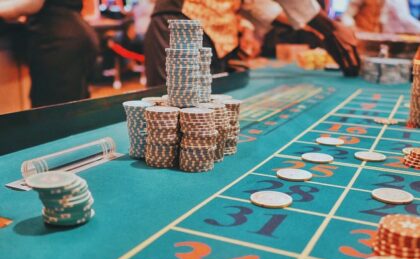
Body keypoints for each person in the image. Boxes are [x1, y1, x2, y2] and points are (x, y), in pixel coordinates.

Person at [144, 0, 360, 86]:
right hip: (179, 23)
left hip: (218, 39)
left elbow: (253, 3)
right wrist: (329, 27)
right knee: (170, 114)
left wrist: (307, 27)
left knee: (200, 117)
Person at [0, 0, 99, 108]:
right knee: (75, 111)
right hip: (73, 33)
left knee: (54, 114)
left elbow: (33, 3)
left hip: (58, 40)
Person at [341, 0, 420, 34]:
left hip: (374, 41)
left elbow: (383, 20)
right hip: (359, 38)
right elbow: (347, 16)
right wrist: (352, 28)